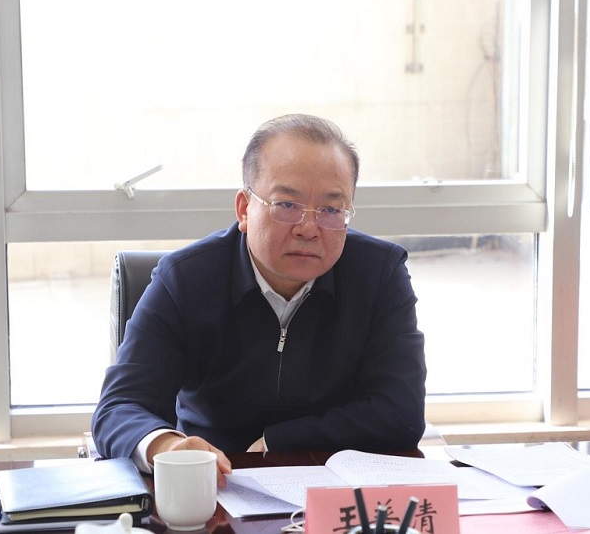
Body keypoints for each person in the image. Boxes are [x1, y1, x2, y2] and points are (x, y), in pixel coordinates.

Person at [92, 114, 426, 483]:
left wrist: (276, 441)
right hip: (216, 483)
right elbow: (118, 408)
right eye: (287, 205)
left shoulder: (379, 273)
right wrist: (167, 446)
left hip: (334, 485)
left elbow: (402, 414)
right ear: (244, 209)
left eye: (331, 210)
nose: (308, 228)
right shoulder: (185, 278)